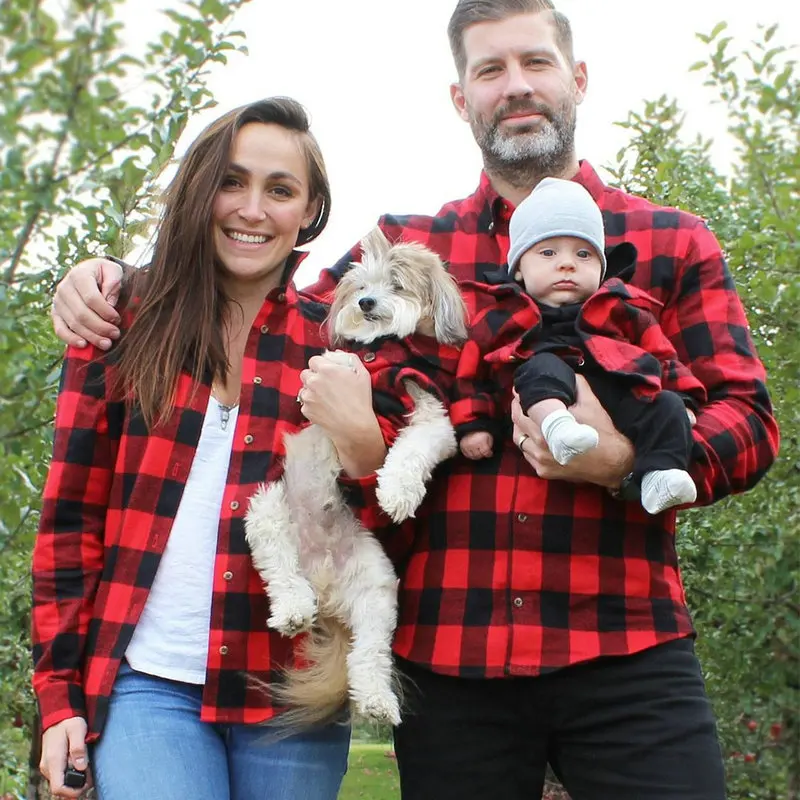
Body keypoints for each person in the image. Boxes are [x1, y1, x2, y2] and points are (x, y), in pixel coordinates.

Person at [50, 2, 780, 799]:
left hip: (625, 643)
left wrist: (623, 462)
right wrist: (116, 280)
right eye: (490, 69)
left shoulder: (672, 240)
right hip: (452, 659)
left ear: (577, 78)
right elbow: (272, 316)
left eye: (535, 62)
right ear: (462, 98)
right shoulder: (412, 248)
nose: (516, 86)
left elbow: (747, 419)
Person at [32, 97, 385, 800]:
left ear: (309, 210)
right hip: (145, 683)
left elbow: (374, 532)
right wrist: (58, 697)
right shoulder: (120, 322)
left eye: (279, 190)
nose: (252, 209)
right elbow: (70, 521)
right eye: (232, 181)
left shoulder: (341, 347)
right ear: (200, 189)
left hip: (291, 689)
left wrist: (367, 448)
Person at [456, 176, 704, 516]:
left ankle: (661, 476)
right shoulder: (501, 317)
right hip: (541, 393)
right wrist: (474, 423)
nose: (567, 263)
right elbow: (470, 375)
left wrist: (684, 399)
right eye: (547, 252)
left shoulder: (624, 311)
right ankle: (559, 428)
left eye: (584, 254)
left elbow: (663, 357)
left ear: (601, 268)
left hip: (618, 400)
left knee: (667, 406)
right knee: (540, 366)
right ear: (519, 270)